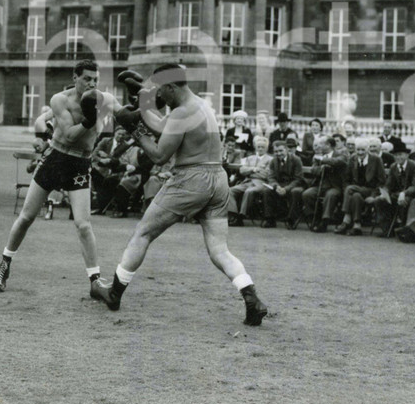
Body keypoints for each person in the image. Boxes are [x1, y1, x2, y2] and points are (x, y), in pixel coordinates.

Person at [90, 63, 268, 326]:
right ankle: (252, 299)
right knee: (220, 250)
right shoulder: (202, 106)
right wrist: (145, 102)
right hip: (218, 180)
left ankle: (114, 293)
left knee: (143, 233)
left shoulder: (181, 113)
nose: (160, 96)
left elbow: (159, 155)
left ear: (171, 87)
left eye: (161, 90)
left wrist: (135, 130)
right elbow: (166, 127)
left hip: (191, 179)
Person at [0, 60, 130, 295]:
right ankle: (5, 263)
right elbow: (69, 136)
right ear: (75, 78)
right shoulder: (60, 100)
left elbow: (125, 116)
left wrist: (140, 103)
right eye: (86, 79)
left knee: (83, 224)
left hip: (80, 163)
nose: (92, 84)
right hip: (56, 158)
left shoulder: (105, 99)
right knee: (26, 216)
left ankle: (95, 281)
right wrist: (89, 119)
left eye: (95, 79)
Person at [334, 137, 386, 235]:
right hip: (355, 191)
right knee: (356, 196)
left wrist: (374, 196)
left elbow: (382, 181)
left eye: (363, 150)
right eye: (358, 149)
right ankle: (357, 225)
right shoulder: (353, 158)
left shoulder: (376, 159)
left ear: (368, 149)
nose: (360, 152)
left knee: (350, 188)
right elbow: (346, 179)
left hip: (370, 190)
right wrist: (346, 190)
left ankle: (346, 219)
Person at [372, 140, 415, 238]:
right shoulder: (393, 166)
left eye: (400, 155)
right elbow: (389, 184)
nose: (398, 157)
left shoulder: (414, 166)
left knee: (403, 201)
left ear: (406, 155)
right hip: (397, 195)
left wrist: (404, 193)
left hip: (412, 196)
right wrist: (384, 193)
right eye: (395, 155)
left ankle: (403, 229)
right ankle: (387, 229)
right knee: (379, 200)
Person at [227, 136, 273, 227]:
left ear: (266, 148)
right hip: (247, 182)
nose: (260, 149)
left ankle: (241, 216)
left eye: (263, 147)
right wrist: (254, 169)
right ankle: (234, 214)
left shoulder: (270, 160)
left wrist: (249, 172)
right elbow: (242, 170)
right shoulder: (249, 158)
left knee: (249, 192)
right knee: (230, 190)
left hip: (260, 183)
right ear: (255, 147)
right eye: (258, 147)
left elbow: (266, 174)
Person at [264, 137, 304, 229]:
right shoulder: (273, 161)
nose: (278, 153)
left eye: (281, 151)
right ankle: (270, 219)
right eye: (276, 151)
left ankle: (292, 219)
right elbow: (271, 177)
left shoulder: (296, 160)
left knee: (295, 192)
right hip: (279, 185)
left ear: (286, 150)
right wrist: (276, 186)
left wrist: (286, 189)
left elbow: (298, 178)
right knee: (267, 191)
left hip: (294, 184)